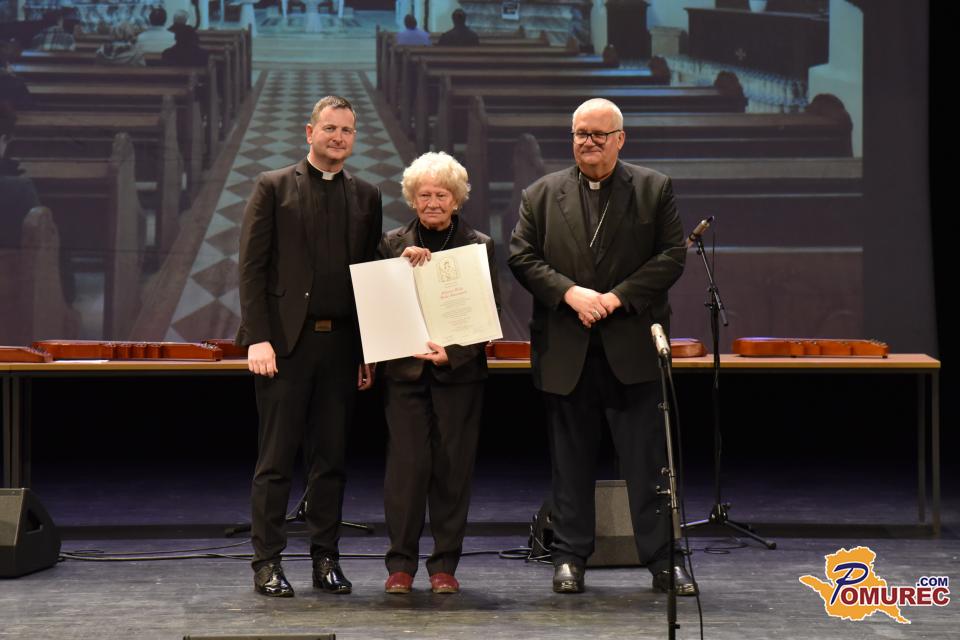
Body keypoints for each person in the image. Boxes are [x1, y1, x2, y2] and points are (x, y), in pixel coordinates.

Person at [508, 98, 694, 596]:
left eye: (598, 134)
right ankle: (570, 557)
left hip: (631, 345)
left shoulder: (653, 188)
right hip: (567, 350)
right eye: (580, 133)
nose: (588, 142)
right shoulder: (540, 194)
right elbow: (521, 256)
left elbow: (671, 256)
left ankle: (664, 560)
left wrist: (614, 298)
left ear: (620, 139)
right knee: (570, 465)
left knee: (647, 464)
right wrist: (571, 293)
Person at [237, 95, 382, 598]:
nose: (338, 137)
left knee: (331, 461)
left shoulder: (367, 196)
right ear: (309, 132)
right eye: (330, 128)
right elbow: (252, 267)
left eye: (347, 130)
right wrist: (258, 337)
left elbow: (370, 275)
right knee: (275, 461)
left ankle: (326, 559)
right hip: (285, 347)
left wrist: (367, 349)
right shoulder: (273, 186)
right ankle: (267, 562)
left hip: (340, 346)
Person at [376, 152, 499, 595]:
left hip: (459, 375)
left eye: (442, 195)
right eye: (424, 195)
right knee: (406, 471)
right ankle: (401, 565)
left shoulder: (479, 245)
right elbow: (379, 306)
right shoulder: (391, 244)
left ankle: (445, 564)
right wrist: (400, 268)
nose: (432, 203)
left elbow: (488, 311)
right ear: (412, 199)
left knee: (452, 469)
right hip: (405, 375)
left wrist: (454, 354)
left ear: (457, 199)